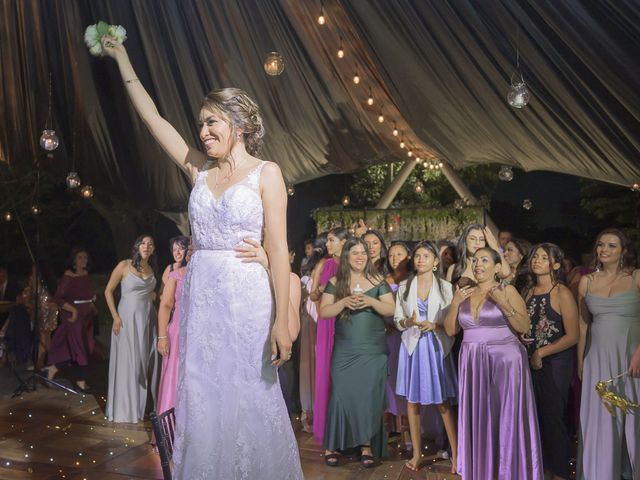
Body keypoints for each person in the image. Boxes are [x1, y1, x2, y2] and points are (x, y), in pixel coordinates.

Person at [101, 36, 302, 478]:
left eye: (213, 123)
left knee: (249, 392)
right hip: (202, 301)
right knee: (202, 393)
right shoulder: (198, 168)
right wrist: (122, 58)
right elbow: (153, 118)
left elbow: (279, 254)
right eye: (201, 124)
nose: (204, 132)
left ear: (240, 124)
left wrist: (283, 321)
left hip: (248, 300)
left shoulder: (267, 175)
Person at [444, 247, 542, 480]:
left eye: (485, 260)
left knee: (505, 418)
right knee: (481, 419)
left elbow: (523, 326)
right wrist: (456, 303)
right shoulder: (464, 293)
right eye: (475, 260)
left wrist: (502, 303)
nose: (478, 264)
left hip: (505, 363)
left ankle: (509, 470)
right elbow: (450, 330)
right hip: (472, 362)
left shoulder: (507, 290)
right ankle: (483, 470)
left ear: (498, 267)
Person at [319, 237, 395, 467]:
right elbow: (324, 311)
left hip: (372, 351)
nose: (361, 256)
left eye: (364, 252)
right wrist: (343, 303)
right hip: (345, 350)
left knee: (369, 397)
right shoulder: (336, 281)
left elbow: (391, 308)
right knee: (340, 395)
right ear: (347, 257)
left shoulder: (377, 279)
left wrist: (371, 301)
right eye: (355, 253)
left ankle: (366, 447)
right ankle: (332, 446)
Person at [577, 228, 639, 480]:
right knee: (601, 419)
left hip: (631, 357)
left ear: (623, 250)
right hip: (598, 359)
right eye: (601, 244)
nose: (604, 249)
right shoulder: (587, 281)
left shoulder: (636, 277)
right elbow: (583, 325)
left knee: (633, 417)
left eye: (612, 245)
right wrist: (581, 362)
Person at [394, 241, 457, 473]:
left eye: (426, 256)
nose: (421, 260)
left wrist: (436, 324)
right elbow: (397, 320)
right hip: (412, 347)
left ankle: (457, 453)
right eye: (418, 256)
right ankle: (417, 453)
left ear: (435, 262)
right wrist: (408, 322)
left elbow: (453, 322)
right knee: (413, 402)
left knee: (443, 402)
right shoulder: (404, 286)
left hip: (435, 347)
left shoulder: (445, 287)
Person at [523, 243, 579, 480]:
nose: (537, 261)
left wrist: (542, 353)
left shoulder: (562, 293)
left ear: (555, 264)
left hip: (556, 362)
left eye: (543, 258)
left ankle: (561, 472)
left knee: (553, 417)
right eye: (535, 256)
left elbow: (573, 335)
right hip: (530, 360)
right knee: (535, 416)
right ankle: (542, 469)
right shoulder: (527, 292)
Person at [104, 235, 158, 423]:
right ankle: (124, 409)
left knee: (142, 363)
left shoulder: (151, 268)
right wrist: (115, 317)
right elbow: (108, 291)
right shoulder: (124, 266)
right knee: (129, 362)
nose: (146, 246)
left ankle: (139, 407)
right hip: (126, 319)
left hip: (147, 320)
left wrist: (152, 295)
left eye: (150, 244)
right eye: (143, 243)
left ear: (153, 250)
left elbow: (151, 292)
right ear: (137, 246)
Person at [311, 226, 349, 444]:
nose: (327, 244)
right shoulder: (324, 264)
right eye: (328, 241)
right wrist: (321, 290)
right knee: (326, 370)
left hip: (344, 319)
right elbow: (314, 293)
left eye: (332, 240)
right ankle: (327, 426)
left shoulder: (351, 263)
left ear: (344, 242)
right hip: (326, 322)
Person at [45, 248, 97, 392]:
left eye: (85, 257)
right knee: (80, 349)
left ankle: (53, 368)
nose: (83, 260)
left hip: (86, 317)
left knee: (84, 348)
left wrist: (92, 303)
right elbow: (58, 297)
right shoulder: (69, 275)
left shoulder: (85, 274)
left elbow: (88, 294)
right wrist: (73, 311)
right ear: (74, 260)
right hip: (74, 317)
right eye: (80, 257)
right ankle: (81, 381)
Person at [155, 237, 189, 416]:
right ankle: (169, 431)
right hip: (176, 333)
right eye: (175, 249)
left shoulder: (202, 273)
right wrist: (162, 337)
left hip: (198, 334)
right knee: (173, 378)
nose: (178, 252)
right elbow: (166, 305)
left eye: (182, 248)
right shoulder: (175, 275)